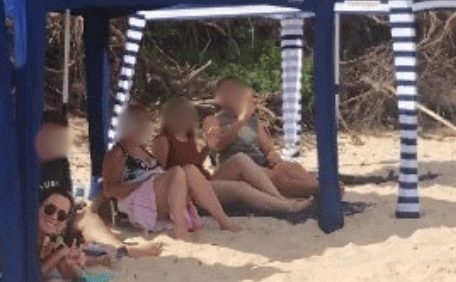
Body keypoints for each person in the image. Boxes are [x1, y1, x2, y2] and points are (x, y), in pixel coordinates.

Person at [0, 110, 162, 259]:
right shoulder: (15, 162)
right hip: (3, 224)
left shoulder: (59, 162)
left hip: (47, 220)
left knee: (87, 218)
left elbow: (65, 199)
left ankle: (121, 249)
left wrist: (62, 221)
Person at [153, 96, 311, 216]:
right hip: (188, 188)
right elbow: (162, 174)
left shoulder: (188, 137)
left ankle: (280, 198)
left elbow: (197, 163)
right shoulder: (163, 140)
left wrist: (207, 148)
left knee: (241, 159)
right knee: (241, 188)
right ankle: (286, 207)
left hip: (204, 180)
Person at [102, 104, 242, 239]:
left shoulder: (141, 148)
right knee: (176, 171)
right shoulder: (118, 153)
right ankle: (180, 228)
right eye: (140, 121)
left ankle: (223, 221)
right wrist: (142, 184)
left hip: (155, 194)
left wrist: (206, 148)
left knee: (190, 169)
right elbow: (109, 191)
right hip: (137, 200)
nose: (145, 126)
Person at [203, 77, 319, 199]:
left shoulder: (254, 122)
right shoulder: (213, 120)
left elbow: (268, 149)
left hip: (260, 163)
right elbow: (217, 146)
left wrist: (272, 154)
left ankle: (317, 185)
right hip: (233, 168)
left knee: (291, 168)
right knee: (277, 176)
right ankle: (319, 188)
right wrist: (241, 120)